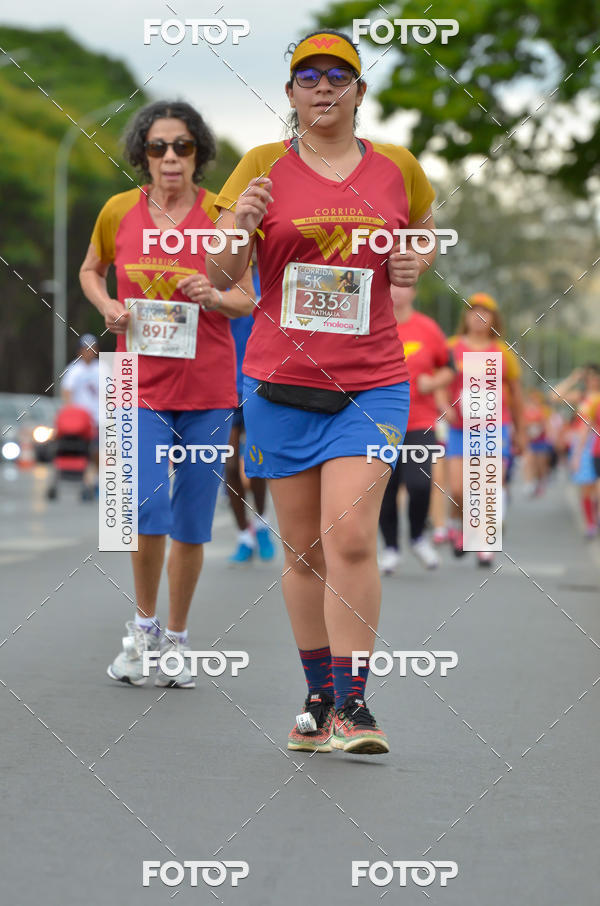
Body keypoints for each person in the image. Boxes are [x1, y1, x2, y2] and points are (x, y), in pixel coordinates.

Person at [207, 29, 437, 754]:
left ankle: (356, 706)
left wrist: (414, 260)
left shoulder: (398, 167)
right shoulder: (260, 166)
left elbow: (425, 231)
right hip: (280, 384)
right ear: (290, 94)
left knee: (351, 539)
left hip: (372, 383)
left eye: (339, 76)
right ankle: (316, 698)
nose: (324, 88)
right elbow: (218, 275)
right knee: (303, 551)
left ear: (360, 92)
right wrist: (239, 227)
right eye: (309, 77)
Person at [79, 101, 255, 687]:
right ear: (143, 155)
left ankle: (177, 639)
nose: (171, 158)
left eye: (182, 146)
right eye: (158, 147)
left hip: (207, 387)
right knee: (145, 507)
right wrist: (106, 305)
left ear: (199, 153)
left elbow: (246, 298)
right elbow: (90, 269)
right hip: (138, 387)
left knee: (192, 518)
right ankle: (144, 627)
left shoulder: (220, 216)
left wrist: (213, 295)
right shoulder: (117, 212)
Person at [443, 292, 526, 565]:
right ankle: (459, 524)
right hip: (459, 428)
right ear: (465, 317)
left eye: (485, 312)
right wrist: (446, 407)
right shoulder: (452, 347)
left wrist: (521, 431)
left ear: (493, 319)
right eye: (473, 311)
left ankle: (482, 544)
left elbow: (516, 393)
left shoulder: (502, 352)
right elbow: (438, 382)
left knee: (487, 485)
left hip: (493, 427)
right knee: (458, 489)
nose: (479, 316)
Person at [378, 285, 453, 573]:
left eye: (403, 286)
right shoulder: (374, 324)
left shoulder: (428, 328)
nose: (396, 292)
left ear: (414, 290)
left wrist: (433, 384)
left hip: (420, 421)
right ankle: (391, 547)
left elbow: (448, 368)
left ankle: (418, 536)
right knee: (386, 487)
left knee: (420, 484)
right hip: (380, 423)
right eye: (391, 285)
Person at [226, 263, 276, 564]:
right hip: (223, 382)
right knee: (230, 465)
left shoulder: (270, 275)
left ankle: (262, 523)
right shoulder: (220, 276)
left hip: (260, 381)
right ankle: (243, 534)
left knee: (256, 463)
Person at [60, 332, 101, 499]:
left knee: (97, 452)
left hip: (98, 418)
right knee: (83, 452)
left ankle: (97, 481)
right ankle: (86, 483)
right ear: (80, 351)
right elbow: (67, 392)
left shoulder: (102, 368)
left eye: (92, 348)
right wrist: (72, 415)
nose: (89, 352)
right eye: (86, 349)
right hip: (81, 422)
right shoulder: (74, 369)